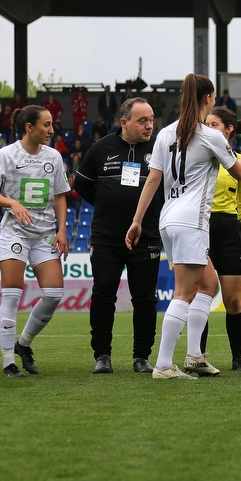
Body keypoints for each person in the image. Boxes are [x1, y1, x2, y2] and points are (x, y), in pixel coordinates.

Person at [125, 74, 241, 380]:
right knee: (184, 292)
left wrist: (137, 220)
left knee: (208, 283)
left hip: (169, 219)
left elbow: (153, 179)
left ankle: (195, 357)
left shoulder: (165, 134)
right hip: (193, 221)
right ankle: (163, 365)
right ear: (208, 99)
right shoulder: (210, 136)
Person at [74, 98, 162, 375]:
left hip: (147, 236)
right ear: (124, 122)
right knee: (103, 295)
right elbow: (83, 187)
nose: (149, 125)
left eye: (151, 119)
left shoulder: (160, 150)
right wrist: (111, 206)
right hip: (107, 238)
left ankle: (141, 357)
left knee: (145, 299)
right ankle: (102, 355)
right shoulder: (100, 149)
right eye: (142, 120)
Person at [0, 105, 70, 377]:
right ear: (29, 127)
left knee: (54, 294)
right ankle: (9, 362)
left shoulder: (54, 157)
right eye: (46, 125)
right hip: (15, 233)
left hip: (44, 235)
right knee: (12, 294)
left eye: (52, 124)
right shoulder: (5, 155)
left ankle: (23, 344)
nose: (51, 130)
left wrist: (63, 230)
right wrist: (12, 202)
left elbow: (59, 195)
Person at [201, 106, 241, 371]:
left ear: (229, 130)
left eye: (214, 125)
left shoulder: (238, 160)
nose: (208, 129)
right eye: (206, 124)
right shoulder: (198, 156)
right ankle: (197, 355)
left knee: (233, 300)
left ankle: (237, 358)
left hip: (229, 229)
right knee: (201, 296)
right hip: (201, 226)